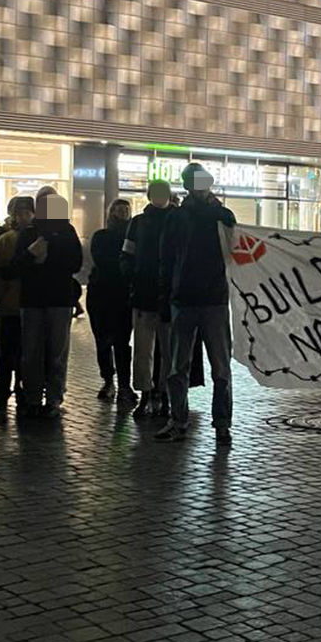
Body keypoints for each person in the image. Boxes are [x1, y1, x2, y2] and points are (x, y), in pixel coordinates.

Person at [157, 164, 236, 445]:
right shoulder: (177, 217)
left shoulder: (223, 216)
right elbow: (166, 259)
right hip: (186, 299)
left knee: (220, 368)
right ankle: (178, 420)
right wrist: (165, 296)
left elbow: (236, 249)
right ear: (188, 186)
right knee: (178, 367)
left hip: (212, 299)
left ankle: (222, 424)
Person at [9, 187, 83, 419]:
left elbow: (76, 263)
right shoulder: (29, 233)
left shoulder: (67, 231)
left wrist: (49, 257)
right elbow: (16, 267)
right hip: (33, 301)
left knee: (56, 352)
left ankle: (53, 397)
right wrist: (32, 254)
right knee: (31, 352)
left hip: (59, 300)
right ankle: (32, 397)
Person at [122, 180, 174, 418]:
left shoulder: (177, 220)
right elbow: (127, 254)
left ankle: (163, 394)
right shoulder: (138, 223)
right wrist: (133, 277)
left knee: (167, 350)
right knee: (144, 350)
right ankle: (146, 393)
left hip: (168, 296)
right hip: (145, 294)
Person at [0, 196, 33, 412]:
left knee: (22, 352)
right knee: (7, 352)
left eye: (26, 213)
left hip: (26, 306)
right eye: (18, 213)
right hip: (10, 306)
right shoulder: (5, 240)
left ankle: (17, 390)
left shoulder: (11, 239)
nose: (22, 217)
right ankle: (6, 390)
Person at [88, 199, 135, 404]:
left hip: (123, 295)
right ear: (112, 212)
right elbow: (103, 260)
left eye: (126, 209)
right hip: (102, 294)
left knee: (122, 342)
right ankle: (109, 380)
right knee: (103, 339)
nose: (123, 213)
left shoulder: (133, 235)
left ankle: (124, 384)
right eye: (120, 209)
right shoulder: (101, 236)